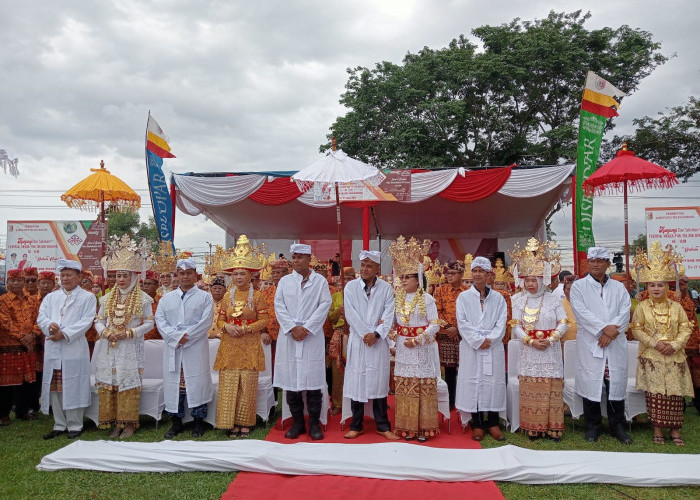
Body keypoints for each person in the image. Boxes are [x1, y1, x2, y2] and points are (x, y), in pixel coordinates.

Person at [631, 242, 693, 445]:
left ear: (667, 287)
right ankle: (657, 429)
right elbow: (636, 328)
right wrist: (655, 344)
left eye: (660, 285)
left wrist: (674, 345)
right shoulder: (642, 307)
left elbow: (686, 327)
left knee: (675, 395)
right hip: (652, 356)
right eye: (652, 285)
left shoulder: (676, 307)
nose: (656, 288)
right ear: (646, 287)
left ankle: (675, 432)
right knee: (655, 394)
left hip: (674, 356)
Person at [93, 237, 154, 438]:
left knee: (128, 382)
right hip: (109, 346)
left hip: (130, 347)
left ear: (134, 277)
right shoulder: (107, 298)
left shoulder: (143, 298)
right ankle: (116, 423)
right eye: (118, 275)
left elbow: (149, 323)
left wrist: (129, 332)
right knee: (112, 383)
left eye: (125, 276)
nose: (120, 280)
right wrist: (106, 331)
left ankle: (129, 423)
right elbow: (98, 320)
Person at [570, 247, 632, 444]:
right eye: (592, 260)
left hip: (614, 343)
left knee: (615, 383)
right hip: (591, 341)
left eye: (600, 260)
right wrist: (603, 330)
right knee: (591, 382)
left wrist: (611, 333)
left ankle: (617, 425)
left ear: (608, 264)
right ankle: (593, 426)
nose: (595, 264)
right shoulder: (579, 287)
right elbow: (581, 312)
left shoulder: (618, 287)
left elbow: (625, 311)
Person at [509, 238, 568, 441]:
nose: (531, 284)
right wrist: (530, 341)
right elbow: (515, 325)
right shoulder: (518, 300)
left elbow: (564, 322)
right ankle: (533, 427)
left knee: (551, 387)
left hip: (550, 350)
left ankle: (553, 428)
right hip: (530, 350)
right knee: (532, 387)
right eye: (528, 280)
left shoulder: (554, 299)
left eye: (534, 280)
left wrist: (552, 339)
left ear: (543, 279)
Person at [273, 243, 332, 440]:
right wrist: (292, 328)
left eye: (300, 257)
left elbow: (325, 304)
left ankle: (314, 422)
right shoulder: (285, 282)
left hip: (311, 337)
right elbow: (279, 306)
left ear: (309, 259)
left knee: (313, 380)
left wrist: (306, 328)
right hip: (289, 336)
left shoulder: (320, 281)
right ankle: (297, 422)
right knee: (291, 380)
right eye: (294, 257)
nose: (296, 261)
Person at [213, 235, 268, 438]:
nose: (238, 277)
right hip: (229, 346)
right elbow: (219, 321)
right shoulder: (227, 296)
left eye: (242, 274)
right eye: (235, 274)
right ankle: (230, 422)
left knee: (247, 384)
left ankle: (245, 422)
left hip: (249, 344)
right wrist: (226, 326)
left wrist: (245, 329)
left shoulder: (258, 296)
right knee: (229, 383)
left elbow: (264, 321)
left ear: (249, 275)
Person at [155, 257, 214, 439]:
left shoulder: (205, 297)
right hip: (174, 347)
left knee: (196, 383)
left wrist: (186, 336)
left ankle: (198, 422)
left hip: (194, 346)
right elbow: (160, 320)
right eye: (182, 273)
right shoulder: (167, 299)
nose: (185, 277)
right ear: (176, 276)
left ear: (196, 275)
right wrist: (175, 337)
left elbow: (205, 322)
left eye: (189, 273)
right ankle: (176, 423)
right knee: (175, 385)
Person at [389, 236, 440, 442]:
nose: (403, 281)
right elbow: (393, 325)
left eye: (407, 277)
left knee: (421, 385)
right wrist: (394, 342)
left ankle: (424, 428)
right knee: (405, 386)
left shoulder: (427, 299)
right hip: (403, 348)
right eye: (401, 277)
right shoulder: (398, 298)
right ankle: (406, 427)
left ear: (418, 278)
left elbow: (435, 324)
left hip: (421, 348)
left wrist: (418, 339)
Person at [38, 259, 96, 439]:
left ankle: (75, 425)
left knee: (74, 384)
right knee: (55, 386)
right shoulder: (51, 297)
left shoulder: (88, 297)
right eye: (62, 275)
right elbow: (41, 317)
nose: (65, 278)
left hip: (74, 347)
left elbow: (86, 321)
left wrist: (64, 333)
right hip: (53, 346)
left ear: (79, 277)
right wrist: (50, 326)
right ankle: (59, 424)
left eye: (69, 275)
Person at [342, 252, 398, 441]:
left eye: (369, 265)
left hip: (377, 341)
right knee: (358, 381)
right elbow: (350, 313)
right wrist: (365, 333)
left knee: (379, 383)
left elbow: (389, 314)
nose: (365, 269)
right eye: (363, 265)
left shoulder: (386, 288)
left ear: (377, 269)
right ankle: (356, 425)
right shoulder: (350, 287)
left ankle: (383, 425)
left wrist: (376, 334)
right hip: (358, 341)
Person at [456, 256, 507, 442]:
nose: (477, 274)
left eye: (481, 271)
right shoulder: (463, 297)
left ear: (489, 274)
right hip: (472, 347)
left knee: (493, 382)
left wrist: (490, 340)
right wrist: (478, 340)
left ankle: (493, 422)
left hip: (493, 348)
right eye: (474, 271)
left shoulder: (499, 298)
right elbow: (462, 323)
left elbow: (502, 323)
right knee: (474, 382)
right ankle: (477, 423)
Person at [0, 269, 40, 425]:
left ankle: (22, 411)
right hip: (8, 347)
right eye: (12, 280)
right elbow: (5, 323)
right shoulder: (2, 300)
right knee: (5, 384)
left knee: (26, 382)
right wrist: (23, 337)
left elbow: (40, 319)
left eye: (19, 280)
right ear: (7, 283)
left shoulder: (32, 300)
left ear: (24, 282)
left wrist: (33, 335)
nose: (16, 283)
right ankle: (3, 414)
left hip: (29, 346)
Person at [433, 260, 466, 410]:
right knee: (449, 370)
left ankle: (463, 400)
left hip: (463, 335)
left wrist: (458, 328)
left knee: (465, 369)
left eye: (453, 273)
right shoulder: (440, 291)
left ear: (461, 275)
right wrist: (448, 327)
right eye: (448, 273)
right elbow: (436, 312)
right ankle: (450, 401)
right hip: (445, 335)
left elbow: (471, 314)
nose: (449, 276)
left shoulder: (467, 292)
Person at [327, 266, 356, 414]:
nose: (347, 282)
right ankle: (337, 403)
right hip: (339, 335)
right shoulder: (336, 297)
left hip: (355, 334)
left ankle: (356, 402)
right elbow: (329, 318)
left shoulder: (360, 295)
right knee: (337, 371)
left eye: (350, 279)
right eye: (345, 280)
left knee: (356, 370)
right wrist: (338, 312)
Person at [678, 275, 700, 414]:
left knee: (696, 375)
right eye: (681, 284)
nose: (684, 287)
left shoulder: (688, 302)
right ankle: (679, 406)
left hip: (691, 344)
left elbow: (694, 324)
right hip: (673, 345)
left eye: (685, 284)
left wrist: (697, 340)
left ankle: (697, 402)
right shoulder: (668, 300)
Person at [141, 270, 161, 340]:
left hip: (157, 341)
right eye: (144, 284)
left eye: (149, 284)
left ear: (157, 286)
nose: (145, 286)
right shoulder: (136, 300)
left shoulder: (162, 301)